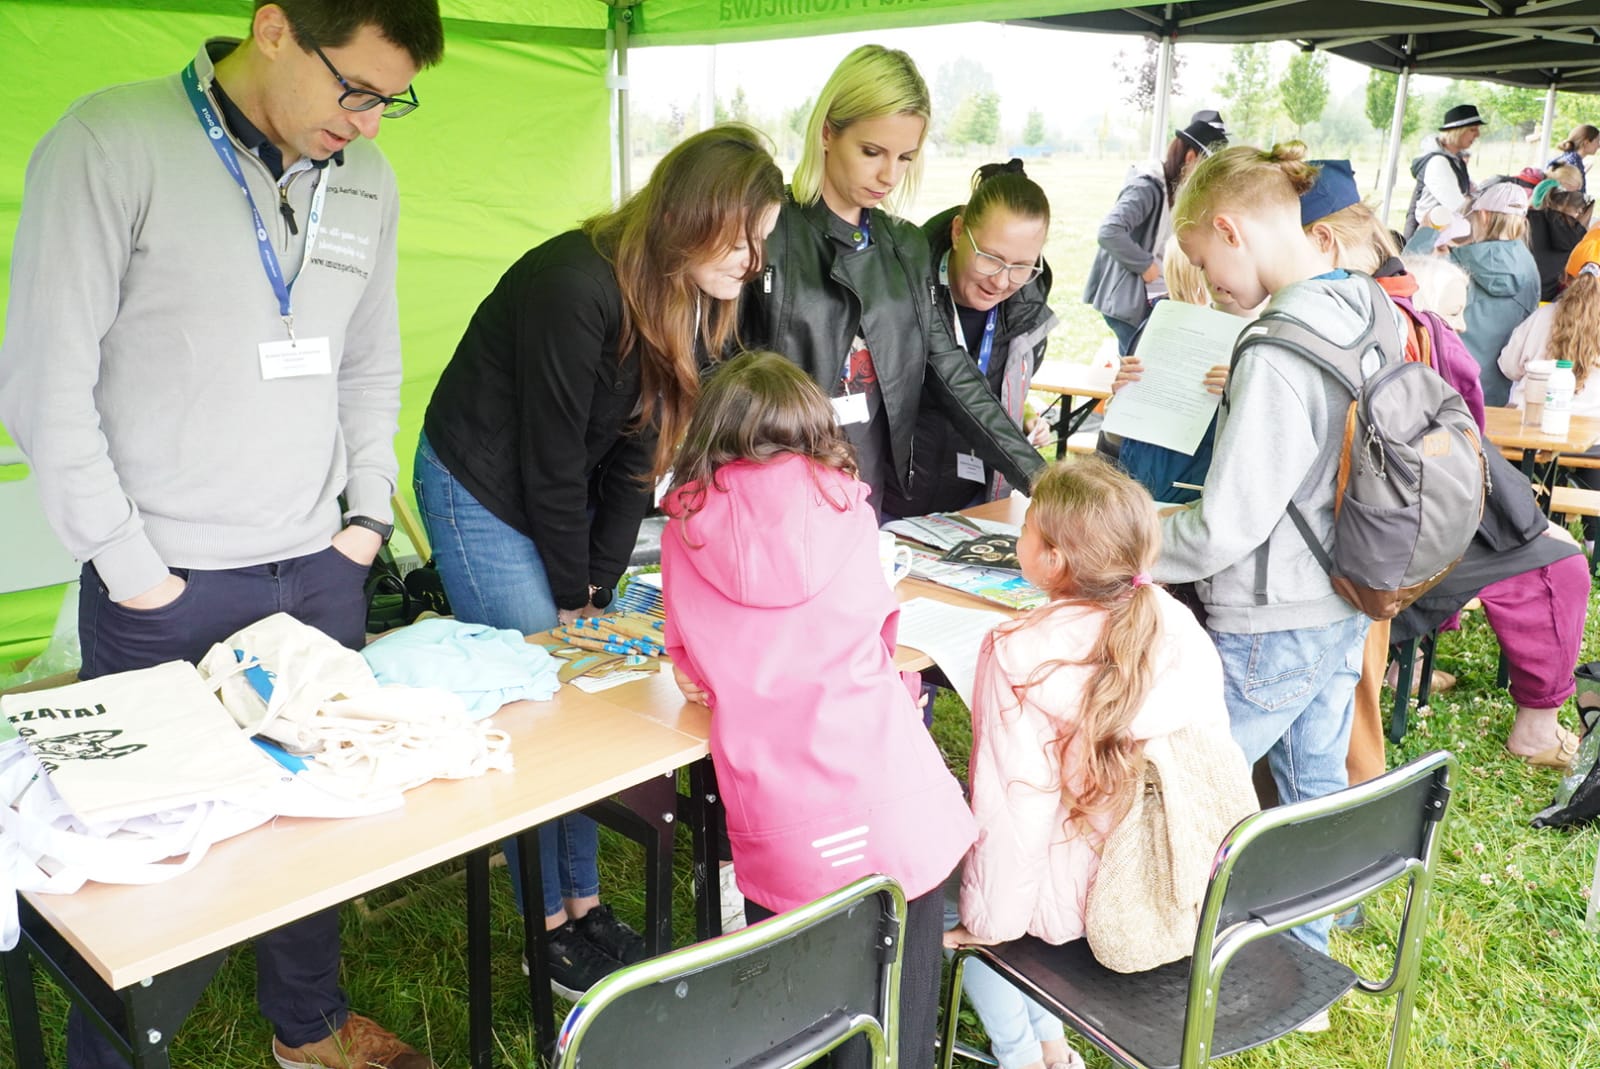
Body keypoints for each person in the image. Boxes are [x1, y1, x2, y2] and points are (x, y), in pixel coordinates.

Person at [0, 3, 443, 1067]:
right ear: (275, 27)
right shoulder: (111, 142)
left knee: (316, 820)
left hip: (321, 569)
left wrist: (364, 518)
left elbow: (368, 363)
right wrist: (133, 569)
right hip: (169, 581)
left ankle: (309, 1026)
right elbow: (45, 383)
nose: (368, 122)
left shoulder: (365, 179)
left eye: (392, 101)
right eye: (357, 89)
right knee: (155, 867)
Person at [416, 125, 784, 997]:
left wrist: (599, 584)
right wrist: (569, 593)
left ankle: (584, 903)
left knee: (579, 693)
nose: (753, 260)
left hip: (559, 486)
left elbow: (636, 457)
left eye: (762, 240)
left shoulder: (687, 295)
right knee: (538, 699)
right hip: (484, 484)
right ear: (689, 216)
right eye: (741, 238)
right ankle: (545, 929)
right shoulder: (573, 283)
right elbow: (547, 459)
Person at [661, 351, 977, 1069]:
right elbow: (880, 634)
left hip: (787, 825)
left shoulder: (687, 525)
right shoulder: (845, 506)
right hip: (899, 806)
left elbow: (692, 664)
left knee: (809, 1029)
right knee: (901, 1031)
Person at [1157, 142, 1391, 964]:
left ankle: (1162, 953)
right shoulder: (1364, 303)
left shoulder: (1276, 344)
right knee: (1312, 783)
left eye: (1202, 261)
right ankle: (1308, 956)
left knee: (1188, 787)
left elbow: (1225, 525)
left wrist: (1130, 540)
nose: (1209, 282)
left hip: (1270, 615)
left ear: (1230, 228)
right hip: (1346, 593)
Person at [944, 458, 1247, 1069]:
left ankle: (1021, 1057)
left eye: (1025, 528)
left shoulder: (1017, 652)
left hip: (1074, 909)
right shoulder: (1176, 622)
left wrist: (988, 925)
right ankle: (1055, 1052)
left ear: (1053, 559)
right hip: (1171, 883)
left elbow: (1015, 811)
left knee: (952, 897)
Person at [1299, 163, 1588, 780]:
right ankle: (1536, 727)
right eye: (1454, 314)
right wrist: (1527, 524)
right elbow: (1460, 460)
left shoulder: (1378, 320)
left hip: (1381, 526)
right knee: (1557, 563)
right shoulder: (1418, 335)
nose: (1461, 327)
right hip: (1385, 542)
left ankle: (1403, 666)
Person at [742, 45, 1045, 515]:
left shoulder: (905, 245)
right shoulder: (767, 229)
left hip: (868, 495)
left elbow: (951, 369)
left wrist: (1040, 474)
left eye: (905, 157)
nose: (889, 175)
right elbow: (720, 370)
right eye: (871, 152)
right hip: (773, 495)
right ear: (827, 132)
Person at [883, 159, 1056, 517]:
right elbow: (956, 386)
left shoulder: (1028, 310)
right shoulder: (903, 289)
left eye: (1022, 266)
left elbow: (997, 390)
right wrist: (1040, 476)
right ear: (958, 231)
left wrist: (1024, 413)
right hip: (888, 501)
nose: (1002, 281)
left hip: (975, 505)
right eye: (990, 258)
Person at [1107, 233, 1246, 505]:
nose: (1216, 275)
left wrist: (1241, 392)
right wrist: (1123, 397)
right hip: (1138, 495)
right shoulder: (1162, 326)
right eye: (1204, 264)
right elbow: (1114, 438)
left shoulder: (1269, 340)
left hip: (1200, 503)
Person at [1084, 109, 1229, 352]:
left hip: (1153, 296)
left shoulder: (1175, 190)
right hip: (1128, 300)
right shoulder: (1147, 187)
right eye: (1206, 169)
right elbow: (1109, 231)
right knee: (1139, 364)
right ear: (1190, 157)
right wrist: (1145, 265)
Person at [1410, 181, 1540, 407]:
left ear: (1484, 216)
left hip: (1443, 384)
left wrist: (1428, 230)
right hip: (1495, 393)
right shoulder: (1531, 273)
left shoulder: (1454, 265)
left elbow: (1406, 272)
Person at [1404, 103, 1483, 239]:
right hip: (1429, 238)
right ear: (1457, 131)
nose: (1478, 134)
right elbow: (1458, 205)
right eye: (1472, 129)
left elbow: (1470, 191)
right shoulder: (1438, 162)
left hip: (1442, 234)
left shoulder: (1456, 160)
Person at [1527, 188, 1594, 301]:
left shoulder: (1530, 219)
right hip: (1548, 301)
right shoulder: (1581, 242)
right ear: (1579, 212)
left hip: (1516, 293)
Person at [1547, 124, 1599, 193]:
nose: (1599, 145)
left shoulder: (1566, 159)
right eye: (1597, 141)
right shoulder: (1574, 164)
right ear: (1586, 143)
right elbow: (1573, 196)